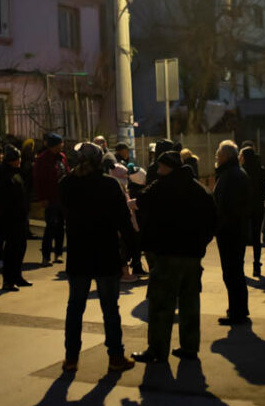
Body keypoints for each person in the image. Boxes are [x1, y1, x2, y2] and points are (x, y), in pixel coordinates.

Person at [131, 151, 217, 363]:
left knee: (161, 304)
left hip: (167, 254)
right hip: (192, 256)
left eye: (160, 167)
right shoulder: (199, 189)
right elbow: (213, 220)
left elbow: (142, 200)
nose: (158, 171)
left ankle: (157, 350)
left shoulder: (162, 187)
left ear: (167, 167)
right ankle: (190, 347)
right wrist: (200, 244)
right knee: (190, 303)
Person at [58, 142, 137, 372]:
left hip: (78, 254)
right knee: (110, 308)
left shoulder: (66, 184)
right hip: (106, 253)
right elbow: (123, 220)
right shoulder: (109, 185)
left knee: (75, 308)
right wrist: (132, 248)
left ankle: (71, 358)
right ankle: (116, 357)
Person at [213, 140, 252, 326]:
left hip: (231, 231)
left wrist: (220, 224)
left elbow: (230, 207)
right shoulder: (234, 173)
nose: (216, 156)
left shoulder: (232, 175)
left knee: (232, 273)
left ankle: (237, 312)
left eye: (218, 153)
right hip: (234, 230)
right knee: (234, 272)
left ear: (226, 156)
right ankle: (237, 309)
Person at [0, 145, 32, 291]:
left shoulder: (15, 173)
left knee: (20, 247)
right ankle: (8, 280)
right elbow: (3, 199)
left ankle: (17, 276)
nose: (19, 161)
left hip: (19, 216)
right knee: (12, 249)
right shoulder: (4, 175)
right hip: (11, 217)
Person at [34, 133, 69, 267]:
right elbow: (38, 180)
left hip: (62, 197)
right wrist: (42, 198)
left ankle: (58, 253)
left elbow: (66, 172)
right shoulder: (42, 159)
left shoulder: (62, 157)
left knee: (60, 227)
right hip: (50, 198)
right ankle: (46, 255)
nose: (61, 146)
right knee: (50, 227)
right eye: (59, 144)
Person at [240, 145, 265, 277]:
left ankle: (240, 265)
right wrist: (259, 199)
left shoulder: (241, 171)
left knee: (242, 238)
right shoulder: (261, 170)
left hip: (244, 209)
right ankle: (256, 266)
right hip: (258, 208)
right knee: (256, 238)